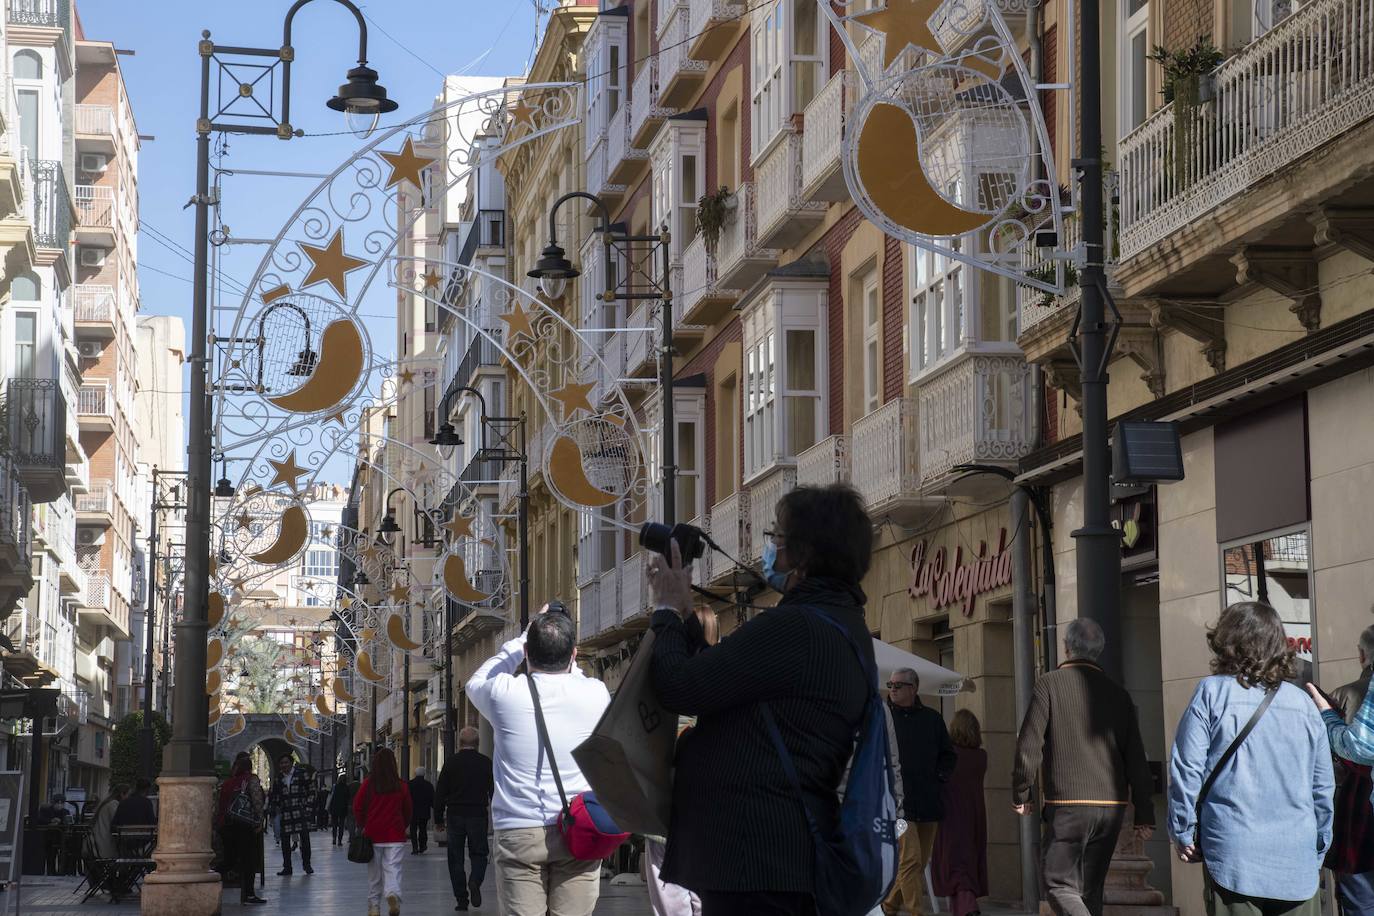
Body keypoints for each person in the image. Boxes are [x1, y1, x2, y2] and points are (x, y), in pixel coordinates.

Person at [646, 483, 878, 915]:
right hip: (777, 858)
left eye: (778, 538)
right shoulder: (839, 624)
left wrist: (665, 612)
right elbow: (729, 683)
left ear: (803, 555)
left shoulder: (796, 628)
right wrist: (684, 613)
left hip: (758, 860)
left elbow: (680, 686)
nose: (771, 548)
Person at [1172, 601, 1332, 916]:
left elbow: (1187, 768)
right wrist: (1320, 844)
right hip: (1296, 858)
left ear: (1227, 642)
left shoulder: (1211, 693)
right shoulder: (1303, 704)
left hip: (1234, 853)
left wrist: (1183, 829)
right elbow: (1322, 786)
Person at [465, 603, 611, 915]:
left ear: (528, 653)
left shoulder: (504, 693)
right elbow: (578, 677)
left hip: (519, 831)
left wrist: (520, 642)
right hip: (578, 829)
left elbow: (476, 680)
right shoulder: (596, 693)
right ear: (573, 654)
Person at [1013, 618, 1155, 916]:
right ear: (1098, 651)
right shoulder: (1120, 696)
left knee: (1059, 884)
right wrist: (1144, 813)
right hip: (1111, 806)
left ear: (1066, 647)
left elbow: (1029, 746)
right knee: (1090, 890)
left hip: (1068, 803)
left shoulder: (1049, 684)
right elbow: (1136, 759)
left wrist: (1022, 792)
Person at [883, 667, 956, 916]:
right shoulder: (882, 719)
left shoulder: (932, 719)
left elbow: (948, 755)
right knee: (910, 859)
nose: (892, 689)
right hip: (898, 804)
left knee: (918, 862)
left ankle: (888, 906)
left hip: (928, 801)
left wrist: (939, 776)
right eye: (890, 685)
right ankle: (916, 912)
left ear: (913, 688)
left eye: (898, 685)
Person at [1324, 624, 1374, 916]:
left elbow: (1326, 765)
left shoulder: (1340, 697)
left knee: (1359, 905)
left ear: (1361, 655)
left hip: (1354, 819)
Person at [932, 710, 988, 916]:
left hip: (950, 815)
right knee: (967, 861)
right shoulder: (981, 757)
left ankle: (968, 907)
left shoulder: (949, 757)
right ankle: (962, 909)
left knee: (955, 866)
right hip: (974, 815)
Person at [434, 726, 494, 912]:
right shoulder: (486, 763)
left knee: (455, 858)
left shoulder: (451, 763)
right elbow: (494, 791)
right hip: (477, 814)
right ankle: (475, 880)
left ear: (460, 743)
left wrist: (438, 818)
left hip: (455, 815)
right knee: (479, 853)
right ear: (477, 743)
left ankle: (461, 899)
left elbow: (440, 792)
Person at [353, 747, 413, 916]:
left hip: (373, 834)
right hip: (395, 834)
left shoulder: (368, 784)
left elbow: (357, 806)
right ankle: (392, 894)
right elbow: (408, 810)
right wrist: (403, 825)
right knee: (393, 869)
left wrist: (363, 824)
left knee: (375, 874)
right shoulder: (401, 785)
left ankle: (374, 907)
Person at [218, 755, 268, 907]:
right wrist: (259, 820)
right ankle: (249, 894)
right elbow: (257, 800)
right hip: (244, 825)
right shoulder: (250, 780)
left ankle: (208, 878)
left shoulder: (227, 783)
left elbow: (219, 805)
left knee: (229, 860)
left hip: (226, 825)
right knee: (249, 860)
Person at [269, 754, 314, 876]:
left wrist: (307, 807)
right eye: (282, 763)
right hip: (286, 813)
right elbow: (275, 795)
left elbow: (311, 790)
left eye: (286, 762)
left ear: (291, 762)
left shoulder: (301, 774)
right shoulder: (279, 778)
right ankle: (287, 867)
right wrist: (275, 807)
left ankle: (307, 864)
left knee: (305, 839)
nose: (284, 765)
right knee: (284, 841)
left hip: (300, 811)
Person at [91, 784, 128, 860]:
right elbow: (118, 822)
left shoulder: (106, 802)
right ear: (122, 794)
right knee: (128, 851)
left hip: (97, 842)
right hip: (105, 845)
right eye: (128, 795)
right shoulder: (113, 804)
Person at [408, 766, 435, 855]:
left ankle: (415, 847)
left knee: (413, 829)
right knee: (423, 829)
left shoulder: (410, 784)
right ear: (424, 774)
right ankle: (422, 846)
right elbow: (432, 799)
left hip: (412, 811)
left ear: (415, 773)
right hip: (424, 811)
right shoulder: (428, 785)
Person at [328, 773, 356, 847]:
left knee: (334, 825)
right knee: (341, 825)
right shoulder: (346, 788)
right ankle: (339, 840)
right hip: (343, 809)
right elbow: (348, 798)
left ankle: (334, 838)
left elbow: (331, 797)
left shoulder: (335, 786)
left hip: (334, 808)